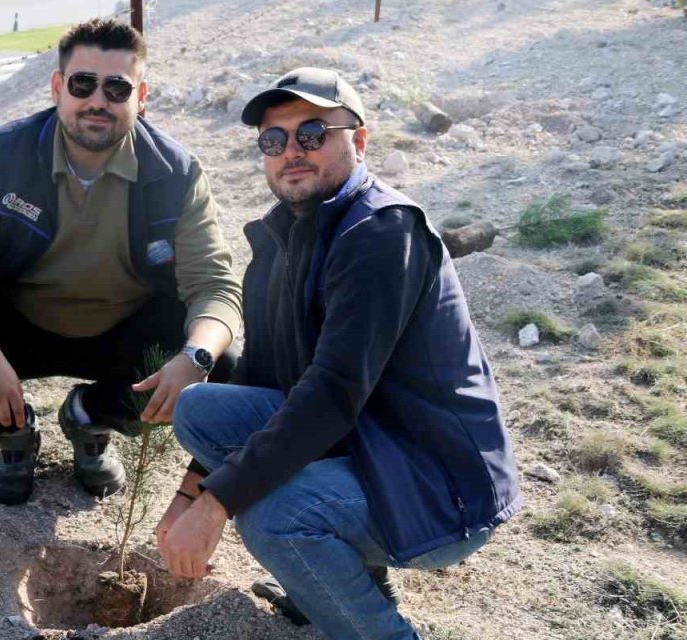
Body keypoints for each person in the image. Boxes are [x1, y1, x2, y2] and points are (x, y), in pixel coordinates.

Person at [155, 68, 521, 639]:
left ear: (360, 139)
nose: (291, 151)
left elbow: (330, 396)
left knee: (275, 520)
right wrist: (190, 492)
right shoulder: (284, 239)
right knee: (200, 409)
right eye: (274, 140)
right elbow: (261, 380)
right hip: (365, 440)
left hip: (435, 478)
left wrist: (215, 504)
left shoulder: (381, 235)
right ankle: (342, 581)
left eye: (313, 132)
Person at [0, 18, 243, 506]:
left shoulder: (175, 173)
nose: (98, 100)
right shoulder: (1, 156)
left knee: (220, 362)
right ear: (58, 87)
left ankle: (91, 416)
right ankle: (14, 431)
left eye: (117, 87)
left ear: (140, 97)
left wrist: (195, 358)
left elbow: (216, 286)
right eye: (83, 83)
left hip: (123, 330)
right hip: (17, 327)